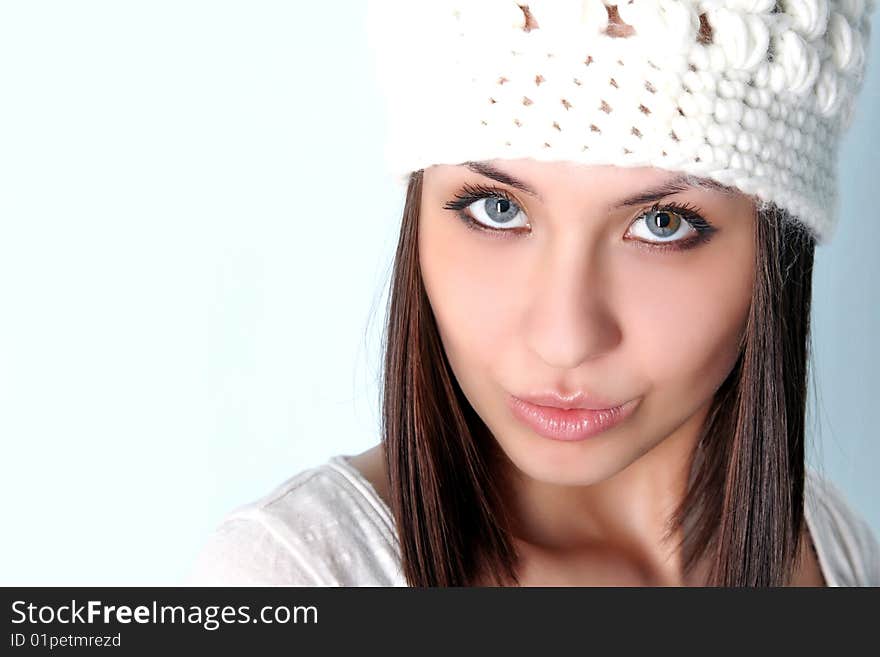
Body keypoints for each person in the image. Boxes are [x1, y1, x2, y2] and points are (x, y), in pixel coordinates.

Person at [186, 0, 880, 586]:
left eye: (660, 224)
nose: (564, 335)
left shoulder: (827, 546)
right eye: (497, 209)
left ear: (776, 244)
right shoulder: (292, 576)